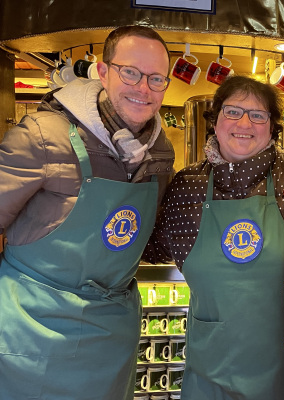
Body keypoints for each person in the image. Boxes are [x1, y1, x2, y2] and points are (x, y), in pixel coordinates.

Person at [142, 75, 284, 400]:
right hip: (210, 368)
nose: (244, 123)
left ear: (272, 126)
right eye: (233, 111)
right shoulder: (186, 185)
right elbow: (152, 247)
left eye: (258, 115)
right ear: (216, 120)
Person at [0, 25, 175, 399]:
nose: (143, 88)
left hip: (109, 334)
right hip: (32, 330)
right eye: (131, 72)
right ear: (103, 70)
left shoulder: (161, 152)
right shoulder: (44, 135)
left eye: (156, 79)